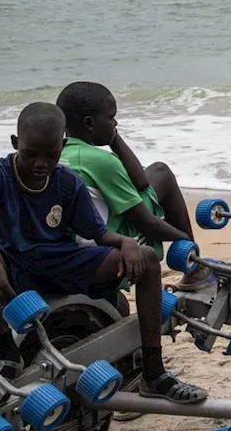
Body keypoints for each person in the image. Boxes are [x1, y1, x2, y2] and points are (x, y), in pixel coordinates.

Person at [0, 103, 207, 401]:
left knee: (148, 259)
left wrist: (125, 243)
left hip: (62, 263)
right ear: (15, 144)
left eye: (51, 155)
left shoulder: (67, 182)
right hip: (14, 270)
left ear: (62, 146)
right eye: (30, 153)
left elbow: (98, 234)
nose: (40, 163)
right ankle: (7, 348)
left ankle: (153, 372)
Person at [55, 82, 211, 291]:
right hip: (106, 240)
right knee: (162, 173)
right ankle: (195, 269)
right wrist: (185, 241)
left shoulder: (61, 153)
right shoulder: (100, 161)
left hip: (77, 238)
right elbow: (145, 221)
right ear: (89, 123)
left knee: (155, 173)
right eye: (111, 118)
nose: (116, 122)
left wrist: (112, 136)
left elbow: (141, 182)